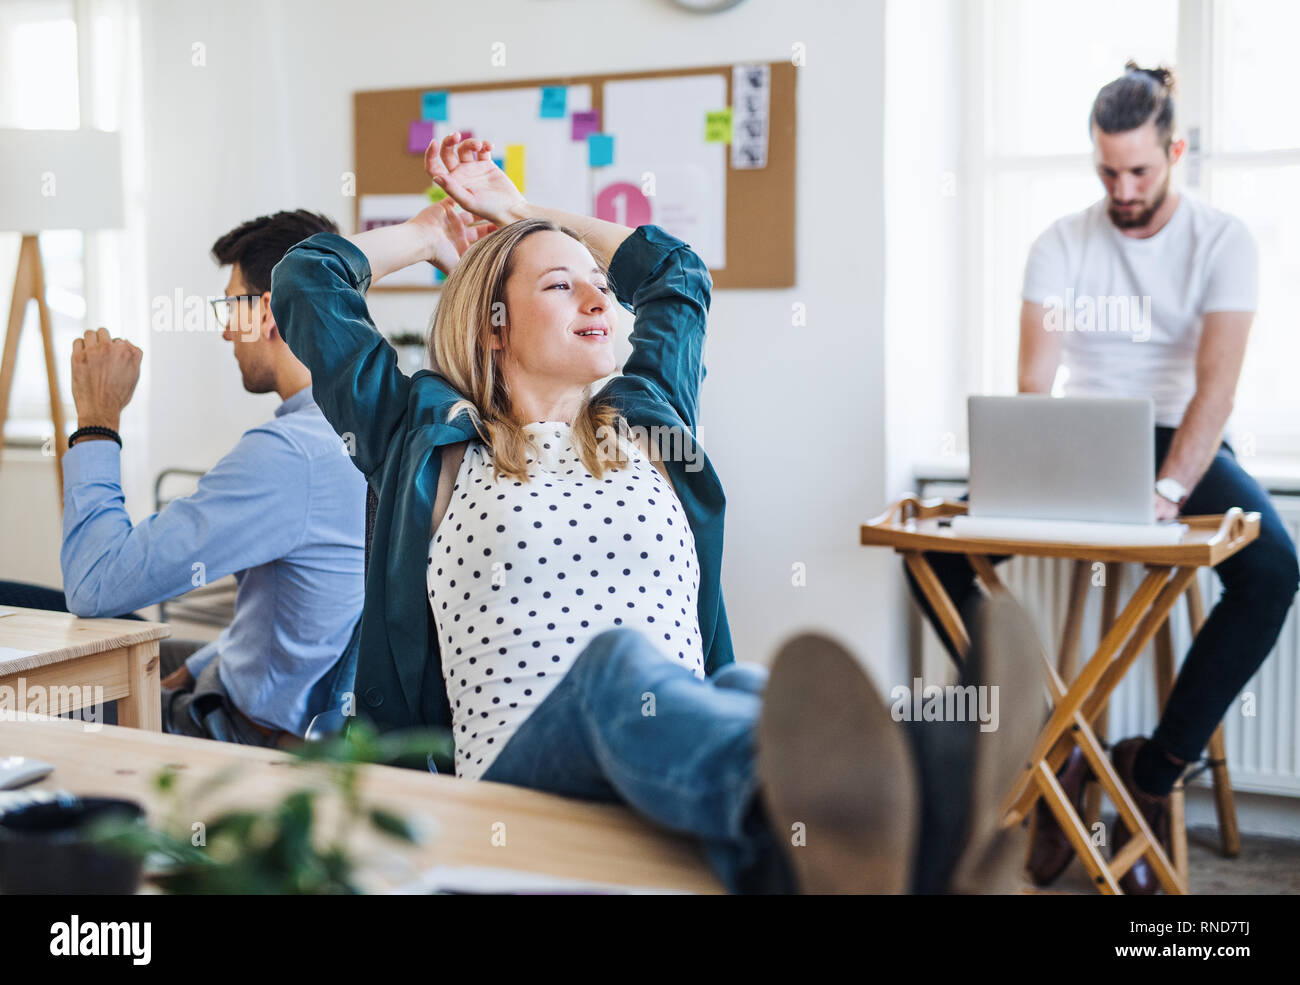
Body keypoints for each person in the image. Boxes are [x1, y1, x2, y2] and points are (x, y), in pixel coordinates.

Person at [270, 133, 1040, 893]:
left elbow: (676, 271)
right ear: (492, 324)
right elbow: (307, 280)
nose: (599, 294)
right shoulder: (425, 441)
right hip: (518, 787)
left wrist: (526, 212)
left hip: (659, 763)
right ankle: (891, 795)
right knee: (617, 665)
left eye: (597, 280)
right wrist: (431, 233)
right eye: (559, 285)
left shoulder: (649, 422)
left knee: (746, 690)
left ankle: (898, 838)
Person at [907, 64, 1299, 893]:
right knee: (935, 557)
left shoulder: (1224, 240)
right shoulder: (1060, 241)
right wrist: (1022, 472)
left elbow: (1215, 386)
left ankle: (1151, 771)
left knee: (1273, 571)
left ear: (1176, 152)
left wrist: (1163, 495)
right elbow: (1034, 386)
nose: (1122, 189)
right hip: (1082, 435)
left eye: (1140, 172)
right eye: (1107, 171)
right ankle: (1062, 755)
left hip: (1182, 445)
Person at [57, 210, 368, 747]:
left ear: (269, 311)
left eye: (231, 305)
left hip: (242, 735)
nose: (226, 328)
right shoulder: (363, 425)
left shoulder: (290, 458)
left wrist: (96, 421)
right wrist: (211, 661)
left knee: (38, 665)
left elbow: (94, 586)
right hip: (265, 694)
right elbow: (307, 613)